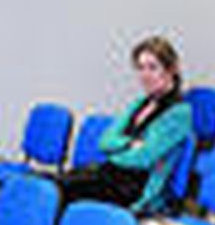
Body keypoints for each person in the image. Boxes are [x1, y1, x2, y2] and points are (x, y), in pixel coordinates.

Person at [60, 36, 194, 213]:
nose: (145, 75)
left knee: (61, 194)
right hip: (109, 174)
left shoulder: (180, 113)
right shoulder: (140, 103)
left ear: (171, 70)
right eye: (140, 68)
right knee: (48, 184)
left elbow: (143, 159)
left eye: (152, 67)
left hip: (134, 189)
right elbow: (104, 141)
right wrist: (130, 143)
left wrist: (117, 149)